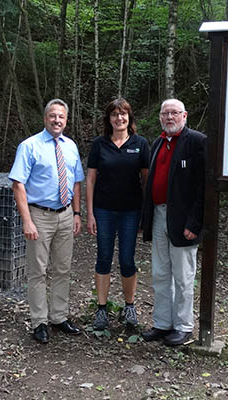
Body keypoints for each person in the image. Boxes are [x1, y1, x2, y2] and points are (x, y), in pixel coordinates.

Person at [9, 98, 85, 344]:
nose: (57, 120)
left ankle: (59, 317)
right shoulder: (29, 146)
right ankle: (39, 321)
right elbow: (18, 184)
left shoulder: (71, 146)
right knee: (38, 271)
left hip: (65, 215)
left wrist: (76, 213)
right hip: (39, 216)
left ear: (66, 120)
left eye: (61, 117)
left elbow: (75, 182)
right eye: (53, 116)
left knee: (63, 269)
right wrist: (27, 220)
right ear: (45, 118)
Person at [140, 98, 206, 346]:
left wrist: (195, 222)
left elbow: (203, 188)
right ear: (160, 117)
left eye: (174, 113)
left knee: (183, 276)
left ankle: (183, 326)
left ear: (185, 115)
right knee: (160, 273)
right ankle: (162, 323)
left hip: (183, 220)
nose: (169, 117)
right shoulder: (158, 142)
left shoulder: (197, 142)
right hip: (158, 215)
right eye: (165, 113)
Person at [86, 98, 150, 330]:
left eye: (123, 114)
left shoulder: (140, 144)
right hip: (103, 210)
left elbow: (146, 182)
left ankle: (129, 305)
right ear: (109, 119)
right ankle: (101, 309)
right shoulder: (99, 144)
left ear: (129, 118)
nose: (119, 118)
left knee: (126, 259)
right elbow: (91, 179)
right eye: (114, 114)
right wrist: (90, 213)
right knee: (103, 257)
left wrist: (145, 213)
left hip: (130, 212)